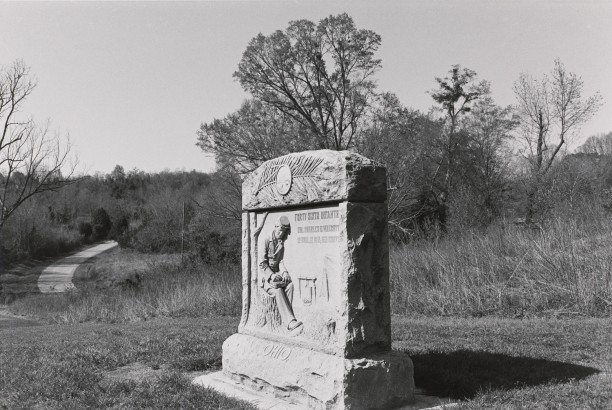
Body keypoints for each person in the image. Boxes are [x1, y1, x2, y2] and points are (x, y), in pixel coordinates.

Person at [259, 215, 303, 332]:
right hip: (266, 278)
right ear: (276, 227)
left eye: (284, 232)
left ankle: (288, 318)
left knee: (290, 286)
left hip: (276, 275)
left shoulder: (280, 244)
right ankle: (289, 322)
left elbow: (281, 261)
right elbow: (262, 263)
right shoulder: (266, 239)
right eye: (280, 230)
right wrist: (272, 275)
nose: (281, 234)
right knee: (278, 290)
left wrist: (284, 272)